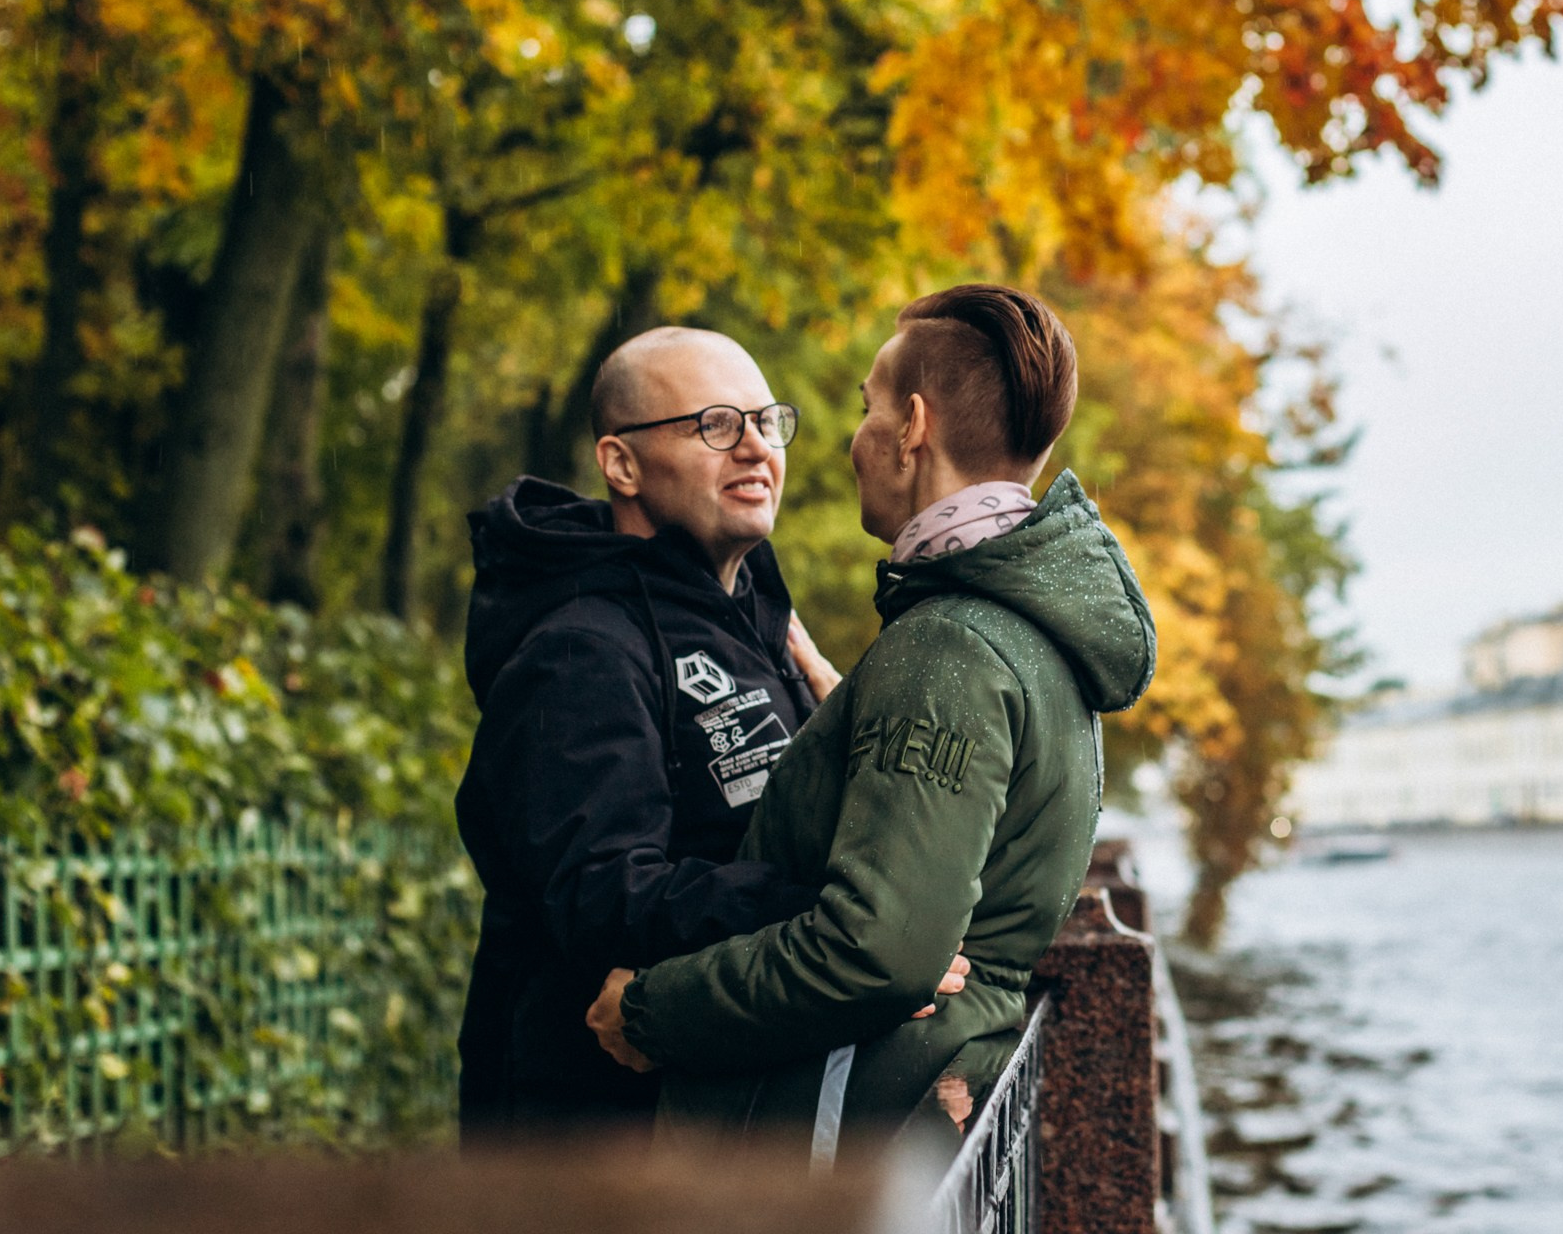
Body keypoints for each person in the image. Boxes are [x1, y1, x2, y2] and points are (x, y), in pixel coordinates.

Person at [583, 284, 1156, 1156]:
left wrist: (652, 1009)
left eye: (866, 408)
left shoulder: (948, 652)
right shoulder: (1019, 627)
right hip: (902, 1109)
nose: (855, 439)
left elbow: (875, 953)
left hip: (837, 1135)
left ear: (914, 425)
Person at [455, 327, 857, 1135]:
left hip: (715, 1113)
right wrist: (838, 914)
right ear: (621, 464)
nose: (754, 446)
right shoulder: (578, 650)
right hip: (591, 1139)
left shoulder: (757, 620)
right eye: (714, 424)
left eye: (767, 421)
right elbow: (603, 897)